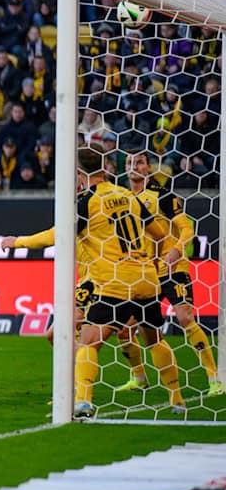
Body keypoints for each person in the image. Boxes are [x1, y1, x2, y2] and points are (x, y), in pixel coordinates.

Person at [66, 145, 182, 418]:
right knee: (155, 340)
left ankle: (82, 401)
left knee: (88, 342)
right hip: (145, 278)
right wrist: (152, 258)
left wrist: (19, 242)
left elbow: (57, 235)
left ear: (81, 173)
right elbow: (160, 233)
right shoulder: (128, 195)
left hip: (114, 283)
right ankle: (177, 400)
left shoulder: (89, 201)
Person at [117, 152, 223, 396]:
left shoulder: (162, 195)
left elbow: (187, 227)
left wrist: (177, 249)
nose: (134, 167)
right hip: (142, 273)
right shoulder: (122, 199)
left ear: (148, 168)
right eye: (129, 163)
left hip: (171, 268)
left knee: (185, 318)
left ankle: (214, 379)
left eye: (139, 162)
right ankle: (139, 378)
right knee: (124, 328)